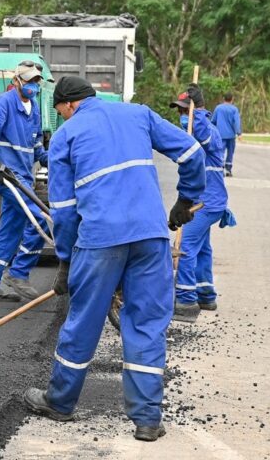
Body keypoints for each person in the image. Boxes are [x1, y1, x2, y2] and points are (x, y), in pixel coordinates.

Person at [22, 76, 206, 442]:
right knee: (146, 324)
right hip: (151, 237)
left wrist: (65, 260)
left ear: (70, 105)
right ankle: (148, 419)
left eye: (60, 112)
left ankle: (59, 402)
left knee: (84, 321)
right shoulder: (138, 114)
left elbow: (63, 210)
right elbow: (192, 153)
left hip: (100, 240)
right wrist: (187, 199)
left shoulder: (65, 137)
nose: (62, 119)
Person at [0, 61, 51, 301]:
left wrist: (51, 160)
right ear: (16, 81)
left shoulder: (34, 107)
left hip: (24, 178)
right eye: (28, 81)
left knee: (10, 230)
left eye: (36, 82)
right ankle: (18, 272)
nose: (33, 86)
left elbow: (36, 145)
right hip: (7, 177)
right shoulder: (4, 104)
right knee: (43, 219)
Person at [170, 90, 229, 322]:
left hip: (206, 202)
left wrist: (196, 116)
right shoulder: (195, 133)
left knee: (186, 246)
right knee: (202, 249)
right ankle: (206, 294)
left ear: (197, 110)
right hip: (207, 201)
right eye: (180, 111)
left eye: (185, 110)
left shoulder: (208, 131)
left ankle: (185, 301)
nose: (182, 116)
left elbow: (202, 137)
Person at [212, 93, 242, 176]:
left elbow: (213, 121)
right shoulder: (234, 109)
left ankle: (220, 170)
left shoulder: (218, 108)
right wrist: (239, 133)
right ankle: (228, 170)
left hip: (220, 135)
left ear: (223, 98)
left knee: (220, 152)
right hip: (231, 136)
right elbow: (236, 122)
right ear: (232, 99)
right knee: (230, 152)